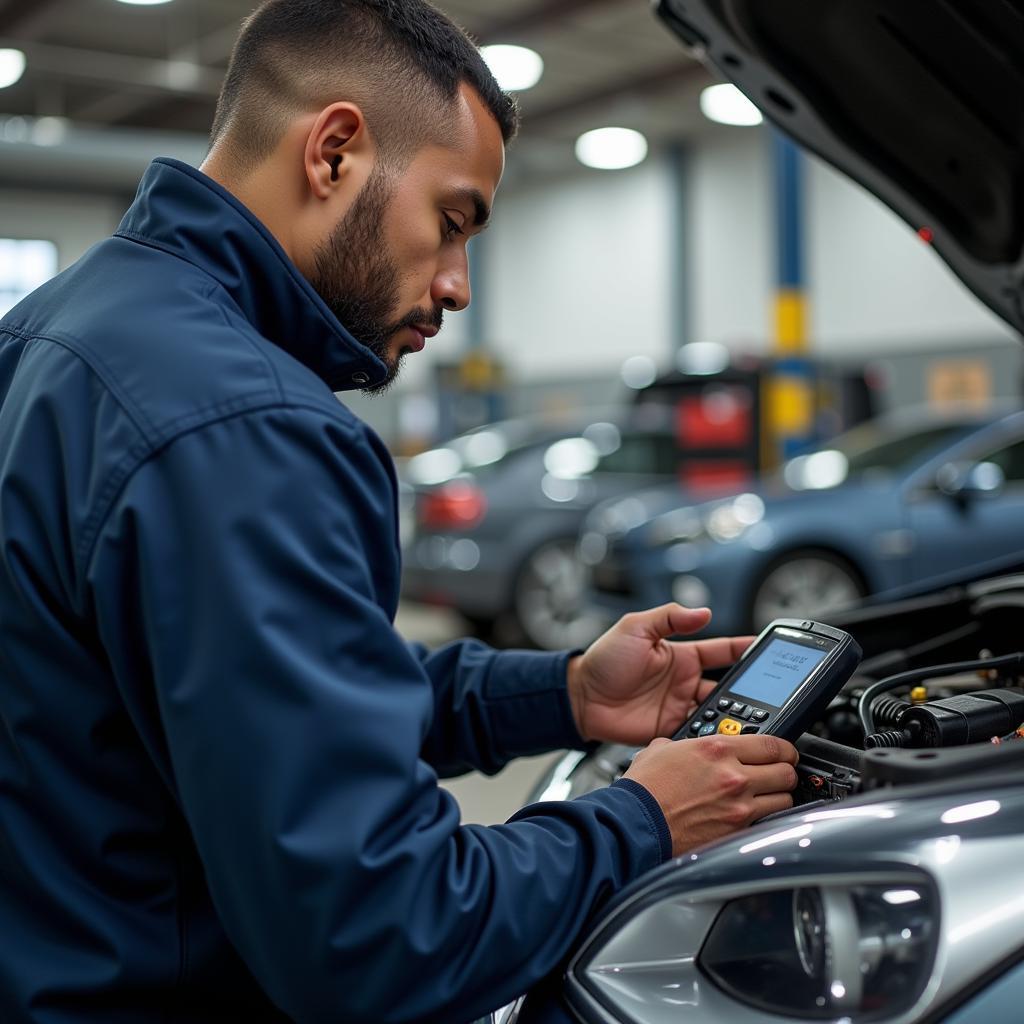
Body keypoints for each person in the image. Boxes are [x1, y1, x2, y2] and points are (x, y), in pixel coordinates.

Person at [0, 1, 799, 1021]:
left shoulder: (47, 336)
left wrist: (560, 693)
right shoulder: (246, 426)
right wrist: (644, 816)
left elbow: (252, 704)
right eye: (452, 222)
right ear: (333, 151)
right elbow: (379, 934)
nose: (460, 285)